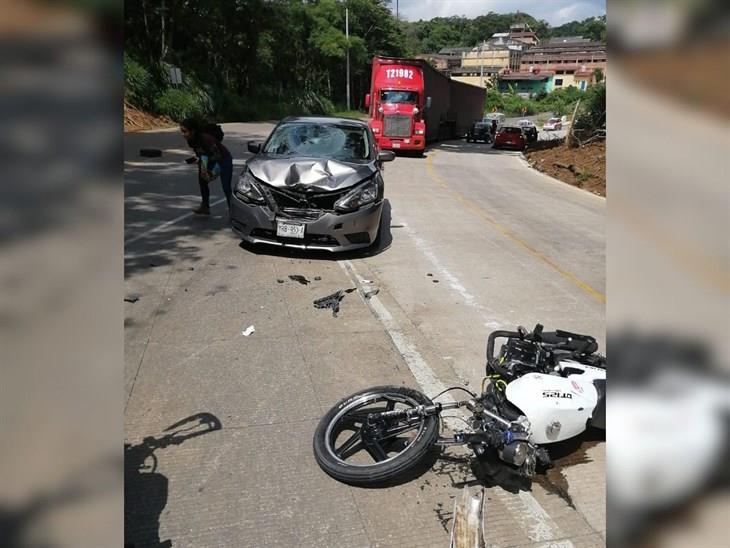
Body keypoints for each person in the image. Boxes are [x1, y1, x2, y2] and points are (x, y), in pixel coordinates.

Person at [180, 118, 233, 215]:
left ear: (193, 131)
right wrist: (199, 161)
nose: (182, 134)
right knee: (202, 180)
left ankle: (233, 211)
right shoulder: (191, 140)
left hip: (224, 160)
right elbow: (201, 153)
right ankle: (205, 206)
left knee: (226, 187)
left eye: (185, 131)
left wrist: (202, 160)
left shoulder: (206, 139)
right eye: (181, 131)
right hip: (208, 158)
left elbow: (218, 156)